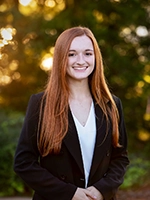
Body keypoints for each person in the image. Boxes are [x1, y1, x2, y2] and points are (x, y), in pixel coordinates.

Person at [14, 26, 129, 200]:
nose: (81, 60)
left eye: (88, 53)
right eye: (72, 54)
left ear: (96, 57)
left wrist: (102, 190)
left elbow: (120, 158)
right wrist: (71, 193)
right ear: (61, 58)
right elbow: (24, 163)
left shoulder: (111, 104)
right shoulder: (40, 104)